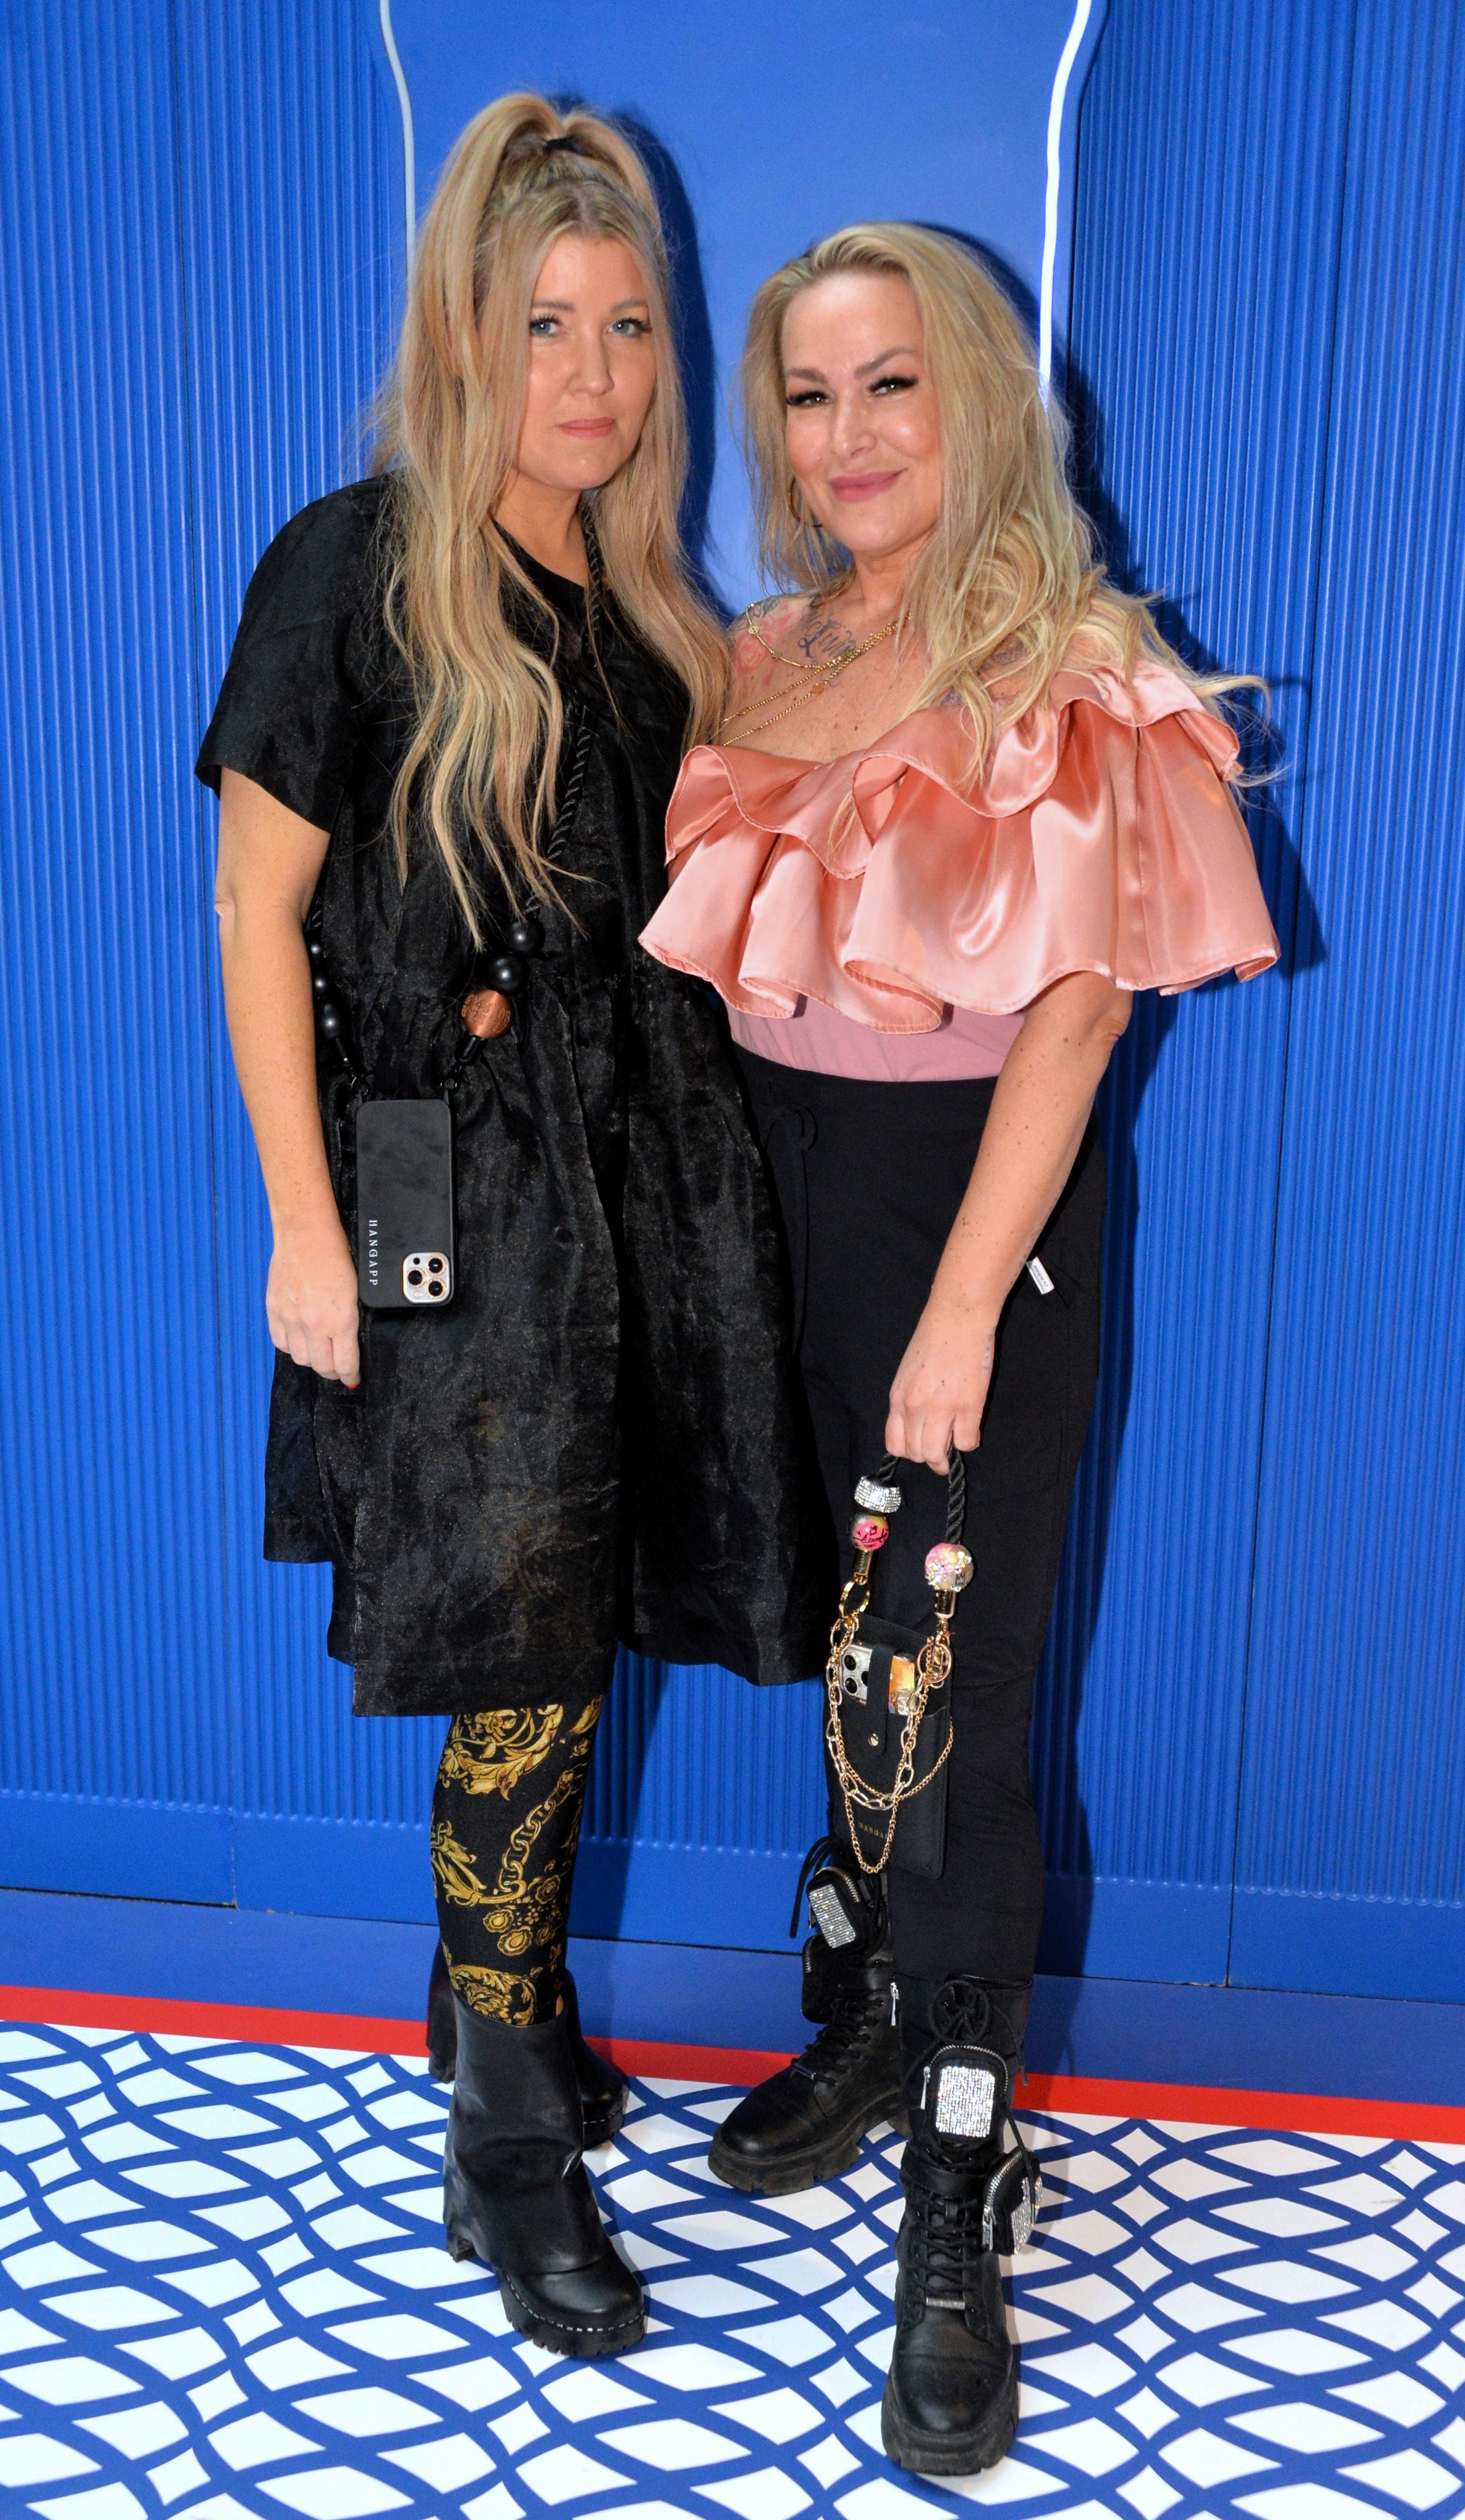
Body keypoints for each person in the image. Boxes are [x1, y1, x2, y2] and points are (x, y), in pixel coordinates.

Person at [641, 223, 1277, 2472]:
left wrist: (955, 1306)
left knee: (960, 1703)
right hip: (778, 1218)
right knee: (850, 1654)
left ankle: (959, 2187)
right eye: (809, 395)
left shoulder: (1071, 668)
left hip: (974, 1231)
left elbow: (1081, 1010)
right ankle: (870, 2009)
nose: (847, 436)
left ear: (979, 396)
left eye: (891, 383)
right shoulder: (754, 657)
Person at [197, 95, 823, 2364]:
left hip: (649, 1174)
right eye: (545, 322)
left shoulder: (654, 619)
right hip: (436, 1172)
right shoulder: (353, 566)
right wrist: (309, 1230)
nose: (594, 372)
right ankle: (505, 2136)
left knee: (582, 1609)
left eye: (629, 325)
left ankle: (518, 2008)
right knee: (519, 1647)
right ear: (464, 333)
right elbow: (256, 918)